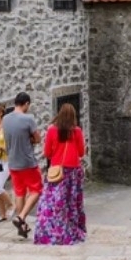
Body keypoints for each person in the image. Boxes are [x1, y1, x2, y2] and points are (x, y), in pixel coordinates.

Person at [34, 103, 87, 245]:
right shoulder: (77, 131)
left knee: (54, 204)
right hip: (73, 173)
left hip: (57, 171)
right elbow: (81, 152)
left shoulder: (52, 130)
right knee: (71, 204)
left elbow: (47, 153)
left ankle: (51, 232)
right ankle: (72, 230)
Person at [2, 91, 42, 238]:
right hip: (27, 162)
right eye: (28, 105)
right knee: (36, 190)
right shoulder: (28, 119)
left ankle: (22, 225)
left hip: (12, 162)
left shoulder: (5, 119)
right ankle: (21, 217)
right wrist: (29, 139)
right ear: (26, 104)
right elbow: (37, 139)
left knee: (20, 193)